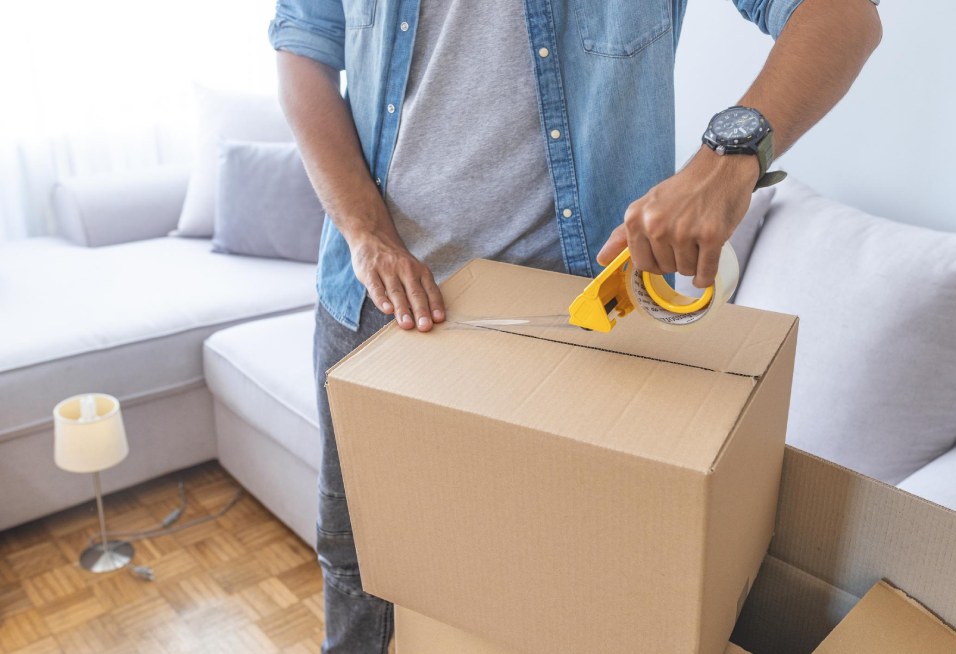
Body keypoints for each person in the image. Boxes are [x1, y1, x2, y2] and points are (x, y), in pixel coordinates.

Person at [269, 1, 881, 651]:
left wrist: (726, 158)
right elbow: (305, 50)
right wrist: (364, 233)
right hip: (376, 303)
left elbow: (843, 15)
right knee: (353, 558)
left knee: (557, 591)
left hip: (570, 325)